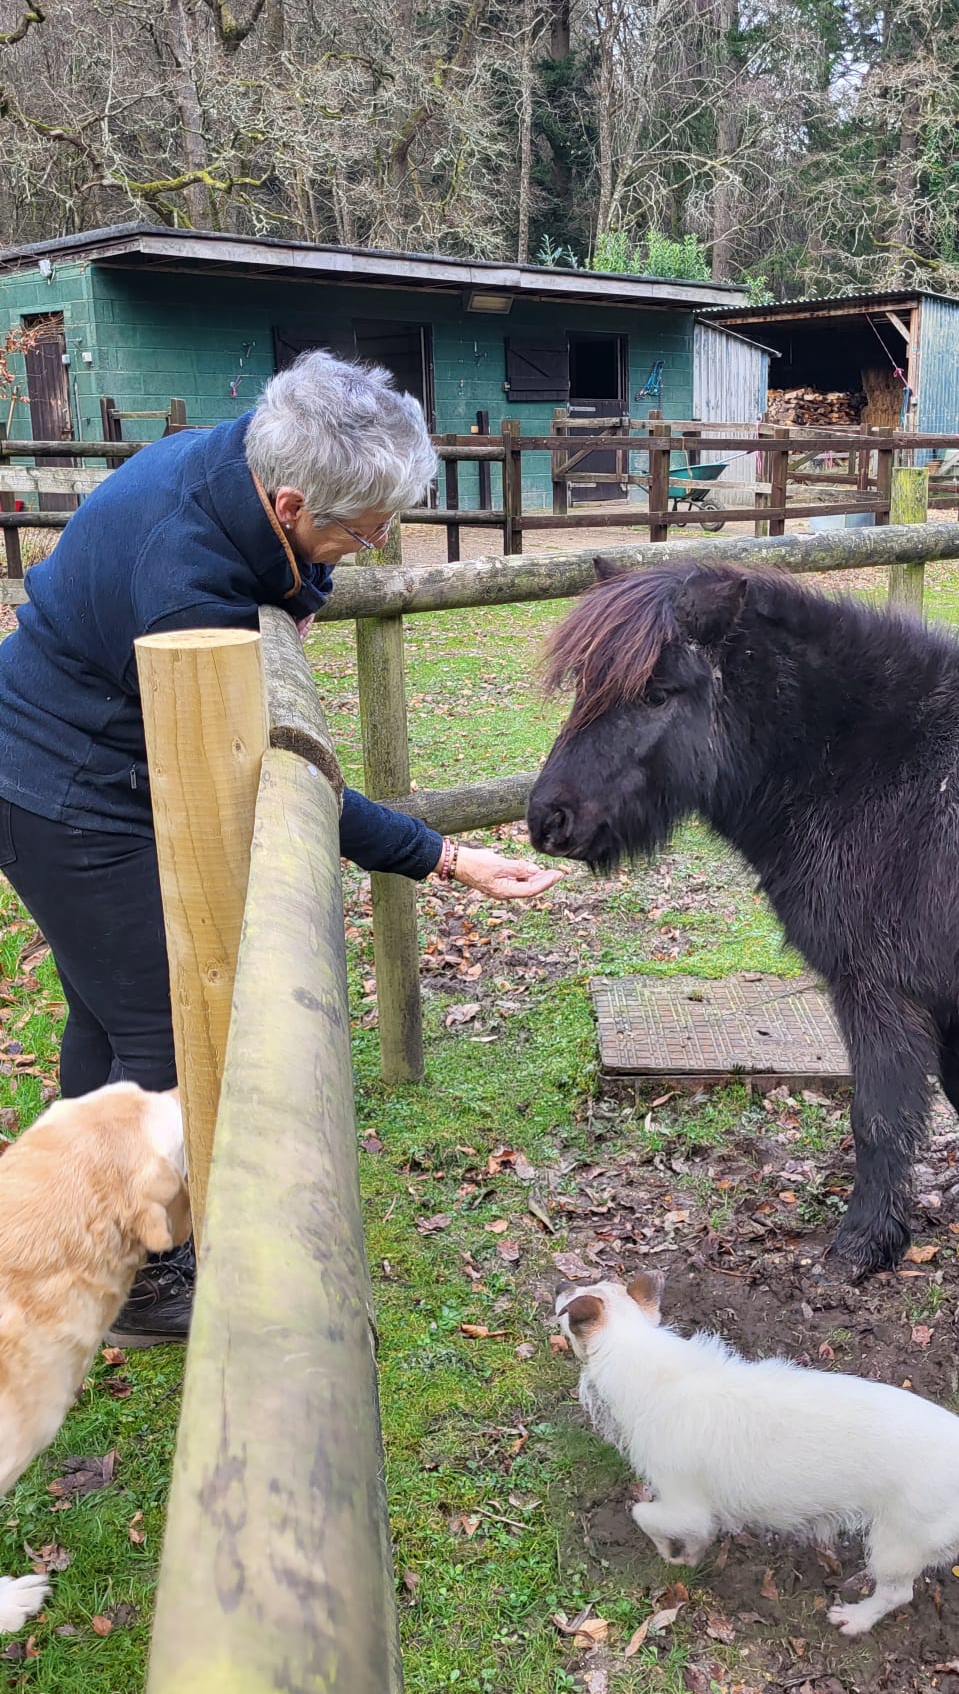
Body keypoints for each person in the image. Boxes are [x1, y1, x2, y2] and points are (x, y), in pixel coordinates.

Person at [0, 351, 560, 1343]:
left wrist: (308, 581)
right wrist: (445, 855)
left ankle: (74, 1232)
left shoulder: (233, 467)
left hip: (68, 754)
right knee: (166, 1034)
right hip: (67, 791)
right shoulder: (185, 583)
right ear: (292, 496)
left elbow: (301, 571)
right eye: (361, 530)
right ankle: (142, 1271)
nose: (365, 549)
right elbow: (275, 776)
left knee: (105, 1013)